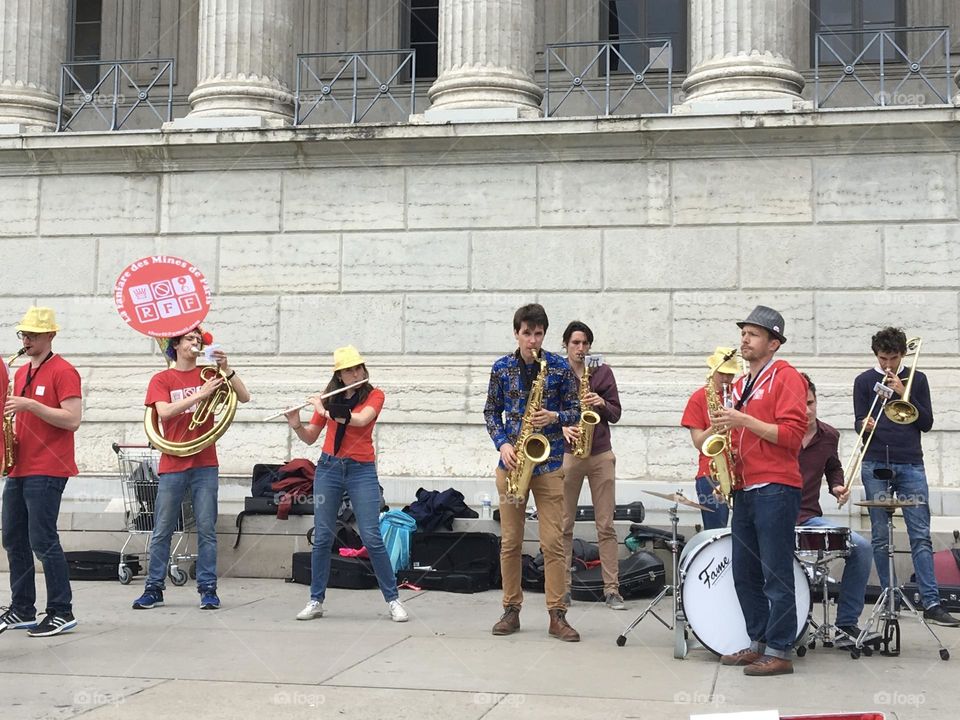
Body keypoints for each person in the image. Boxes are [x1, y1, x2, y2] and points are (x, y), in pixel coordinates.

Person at [711, 305, 807, 676]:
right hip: (744, 487)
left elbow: (793, 436)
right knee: (744, 573)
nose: (744, 339)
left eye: (753, 334)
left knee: (775, 573)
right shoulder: (739, 384)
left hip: (775, 488)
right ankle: (758, 642)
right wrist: (724, 471)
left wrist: (744, 420)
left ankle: (780, 650)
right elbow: (736, 436)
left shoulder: (787, 377)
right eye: (743, 333)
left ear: (774, 343)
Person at [287, 345, 408, 623]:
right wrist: (296, 424)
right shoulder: (329, 398)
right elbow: (310, 437)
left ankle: (393, 600)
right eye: (348, 370)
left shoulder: (375, 395)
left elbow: (360, 420)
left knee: (371, 536)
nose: (355, 374)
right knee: (323, 537)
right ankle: (316, 600)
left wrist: (323, 410)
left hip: (361, 470)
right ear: (339, 375)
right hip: (329, 467)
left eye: (358, 368)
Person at [132, 327, 250, 611]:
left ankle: (208, 589)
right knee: (162, 529)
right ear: (176, 344)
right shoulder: (162, 379)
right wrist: (199, 395)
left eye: (198, 339)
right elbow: (164, 411)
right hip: (173, 461)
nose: (196, 342)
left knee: (207, 529)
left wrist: (227, 369)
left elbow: (244, 397)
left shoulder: (209, 374)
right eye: (189, 339)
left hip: (205, 463)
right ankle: (153, 588)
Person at [483, 303, 581, 641]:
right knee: (510, 542)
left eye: (538, 334)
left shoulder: (559, 367)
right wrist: (502, 444)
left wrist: (554, 417)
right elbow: (491, 412)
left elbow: (576, 411)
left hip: (549, 465)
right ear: (516, 333)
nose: (533, 340)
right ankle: (511, 609)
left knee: (553, 543)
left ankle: (557, 614)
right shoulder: (501, 368)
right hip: (512, 465)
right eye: (527, 333)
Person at [853, 327, 959, 627]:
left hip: (911, 463)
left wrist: (904, 392)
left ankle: (932, 603)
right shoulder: (863, 381)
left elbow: (927, 423)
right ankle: (890, 598)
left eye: (894, 358)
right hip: (875, 461)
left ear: (902, 355)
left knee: (920, 534)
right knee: (880, 535)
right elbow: (858, 421)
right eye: (883, 358)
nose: (888, 365)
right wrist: (864, 423)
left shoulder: (917, 379)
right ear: (876, 355)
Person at [0, 307, 81, 637]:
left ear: (51, 335)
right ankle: (22, 609)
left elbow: (72, 419)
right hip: (20, 466)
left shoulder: (64, 371)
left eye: (33, 334)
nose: (27, 340)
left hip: (48, 467)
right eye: (24, 334)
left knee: (43, 540)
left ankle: (62, 610)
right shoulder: (20, 372)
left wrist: (30, 405)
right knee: (12, 538)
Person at [797, 373, 876, 647]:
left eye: (810, 403)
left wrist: (837, 486)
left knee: (861, 548)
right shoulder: (777, 435)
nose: (806, 410)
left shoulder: (829, 435)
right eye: (800, 405)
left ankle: (846, 625)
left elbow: (833, 466)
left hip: (809, 518)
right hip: (774, 519)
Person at [559, 321, 624, 610]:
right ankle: (562, 589)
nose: (581, 348)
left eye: (585, 343)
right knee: (563, 524)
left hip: (600, 454)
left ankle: (612, 590)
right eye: (575, 343)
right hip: (569, 454)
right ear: (566, 345)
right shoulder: (557, 372)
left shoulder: (603, 372)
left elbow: (616, 413)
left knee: (606, 525)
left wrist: (601, 403)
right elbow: (545, 412)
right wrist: (561, 427)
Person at [681, 346, 740, 530]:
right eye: (722, 373)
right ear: (712, 370)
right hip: (712, 473)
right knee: (716, 532)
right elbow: (699, 442)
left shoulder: (740, 394)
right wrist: (715, 427)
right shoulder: (699, 398)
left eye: (730, 374)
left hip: (741, 470)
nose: (726, 379)